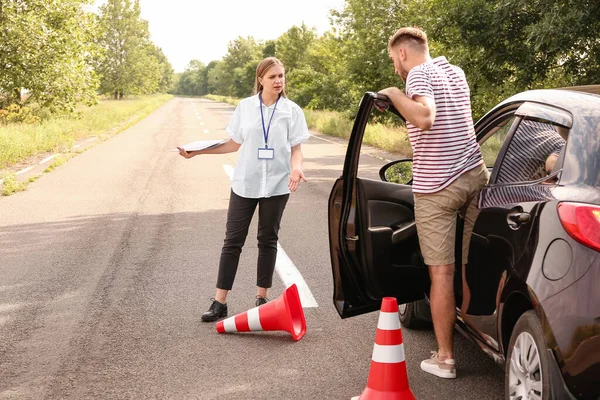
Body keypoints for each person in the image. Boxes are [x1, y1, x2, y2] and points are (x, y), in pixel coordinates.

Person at [377, 27, 489, 379]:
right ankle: (486, 335)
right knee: (474, 262)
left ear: (404, 53)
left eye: (395, 60)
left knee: (441, 273)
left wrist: (395, 92)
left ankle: (445, 359)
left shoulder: (418, 74)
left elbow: (426, 118)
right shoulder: (455, 73)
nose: (396, 67)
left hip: (438, 187)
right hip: (476, 176)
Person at [177, 57, 310, 322]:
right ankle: (219, 302)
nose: (278, 81)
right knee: (232, 241)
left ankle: (262, 299)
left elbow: (296, 148)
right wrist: (198, 151)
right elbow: (233, 143)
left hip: (276, 184)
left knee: (268, 240)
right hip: (245, 183)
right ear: (260, 79)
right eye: (272, 76)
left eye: (281, 76)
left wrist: (296, 168)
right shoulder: (246, 108)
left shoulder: (292, 111)